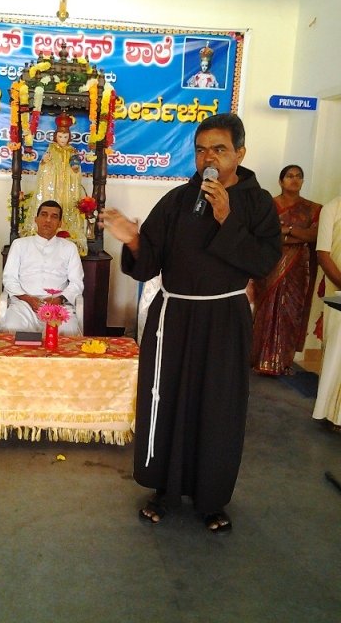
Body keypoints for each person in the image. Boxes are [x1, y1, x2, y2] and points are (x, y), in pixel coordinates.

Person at [100, 113, 281, 533]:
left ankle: (211, 498)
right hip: (175, 318)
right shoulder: (178, 200)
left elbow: (264, 262)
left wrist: (226, 219)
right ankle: (163, 489)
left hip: (224, 319)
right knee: (165, 401)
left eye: (219, 149)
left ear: (240, 153)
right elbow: (150, 262)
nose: (208, 158)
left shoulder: (257, 203)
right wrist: (133, 239)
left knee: (218, 406)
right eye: (201, 150)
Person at [251, 165, 321, 375]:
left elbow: (314, 236)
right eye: (290, 176)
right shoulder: (268, 205)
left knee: (291, 312)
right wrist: (297, 235)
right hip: (269, 265)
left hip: (298, 269)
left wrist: (286, 230)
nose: (294, 179)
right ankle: (259, 359)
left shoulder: (313, 209)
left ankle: (283, 362)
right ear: (281, 181)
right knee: (266, 309)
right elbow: (262, 234)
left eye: (299, 176)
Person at [3, 200, 84, 335]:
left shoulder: (69, 248)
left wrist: (59, 299)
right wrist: (28, 299)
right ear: (36, 219)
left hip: (58, 305)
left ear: (60, 223)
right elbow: (9, 279)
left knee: (68, 330)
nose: (48, 220)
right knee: (12, 326)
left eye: (54, 216)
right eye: (44, 214)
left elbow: (77, 282)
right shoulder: (19, 245)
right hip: (24, 305)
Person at [20, 113, 88, 256]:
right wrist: (44, 162)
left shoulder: (72, 151)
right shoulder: (51, 149)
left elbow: (76, 168)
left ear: (69, 137)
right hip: (53, 187)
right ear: (56, 136)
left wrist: (75, 170)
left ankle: (66, 229)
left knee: (67, 206)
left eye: (65, 137)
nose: (62, 140)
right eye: (60, 136)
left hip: (67, 187)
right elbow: (44, 168)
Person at [312, 195, 341, 430]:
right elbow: (323, 254)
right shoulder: (332, 208)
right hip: (338, 294)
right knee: (336, 356)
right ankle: (332, 416)